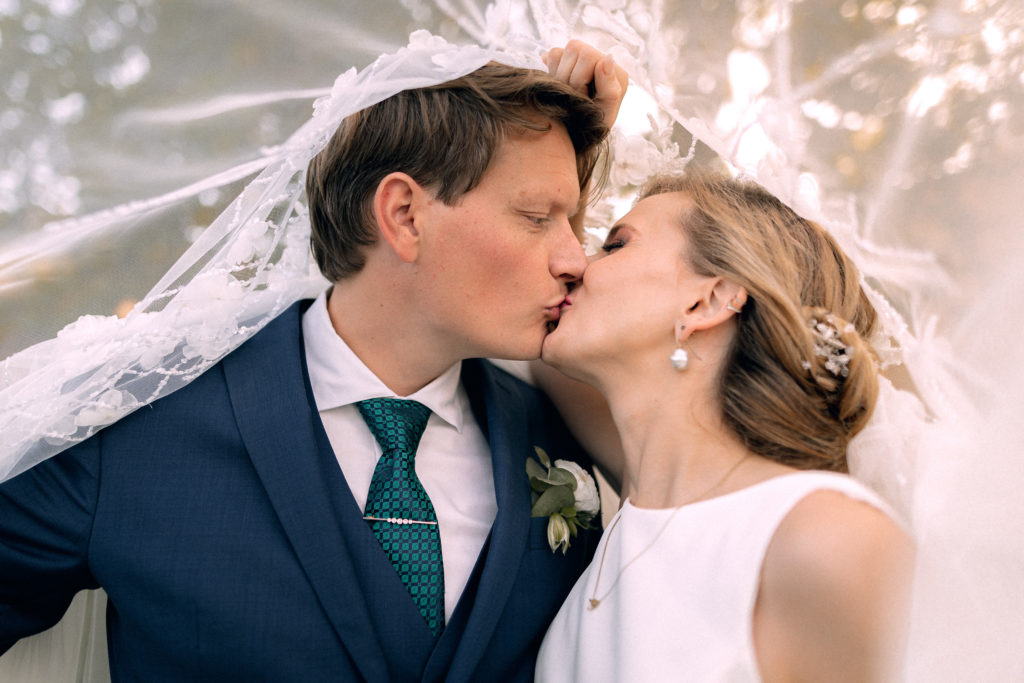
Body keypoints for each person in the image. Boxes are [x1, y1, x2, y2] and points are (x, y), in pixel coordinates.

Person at [0, 41, 628, 681]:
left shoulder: (559, 431)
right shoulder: (134, 424)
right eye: (535, 217)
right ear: (404, 215)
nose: (574, 259)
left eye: (572, 221)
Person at [534, 173, 915, 681]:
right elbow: (539, 333)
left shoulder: (820, 538)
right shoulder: (648, 494)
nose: (579, 264)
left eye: (616, 245)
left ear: (706, 303)